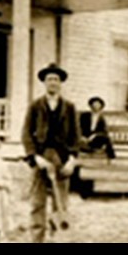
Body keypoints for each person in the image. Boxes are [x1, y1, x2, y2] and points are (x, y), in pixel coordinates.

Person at [23, 63, 82, 242]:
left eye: (56, 79)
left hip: (62, 159)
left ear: (60, 83)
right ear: (44, 82)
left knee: (61, 203)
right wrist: (35, 157)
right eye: (49, 79)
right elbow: (26, 134)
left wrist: (71, 160)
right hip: (41, 158)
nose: (53, 83)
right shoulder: (35, 106)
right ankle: (37, 238)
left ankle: (57, 238)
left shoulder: (69, 107)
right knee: (37, 203)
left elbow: (76, 136)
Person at [79, 96, 117, 161]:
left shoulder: (101, 119)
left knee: (106, 138)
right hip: (84, 137)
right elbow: (78, 127)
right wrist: (82, 136)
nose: (96, 107)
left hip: (95, 139)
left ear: (101, 107)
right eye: (94, 104)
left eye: (98, 105)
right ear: (91, 106)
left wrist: (94, 135)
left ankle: (111, 156)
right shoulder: (84, 116)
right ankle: (88, 149)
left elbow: (104, 131)